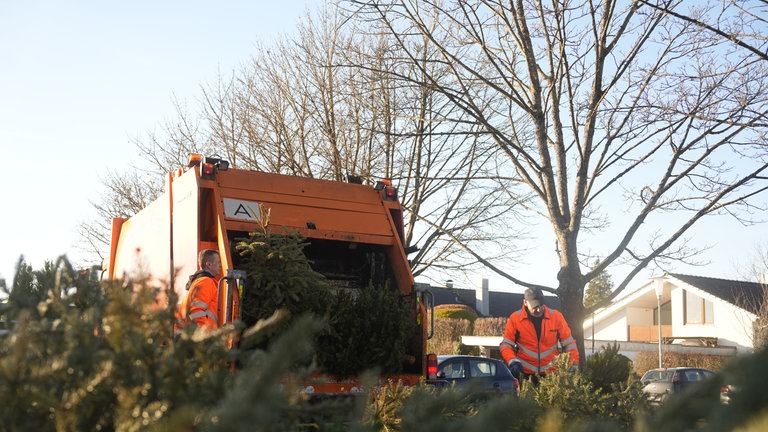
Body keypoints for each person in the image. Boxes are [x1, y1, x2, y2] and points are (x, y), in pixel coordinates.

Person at [499, 287, 579, 385]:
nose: (539, 309)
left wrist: (573, 364)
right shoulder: (515, 318)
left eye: (541, 305)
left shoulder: (556, 317)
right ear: (525, 303)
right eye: (535, 306)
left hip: (552, 375)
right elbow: (506, 344)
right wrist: (512, 361)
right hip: (525, 376)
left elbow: (569, 344)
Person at [175, 249, 222, 334]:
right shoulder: (206, 282)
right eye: (218, 262)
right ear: (209, 265)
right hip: (197, 338)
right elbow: (196, 310)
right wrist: (203, 335)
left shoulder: (201, 282)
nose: (220, 265)